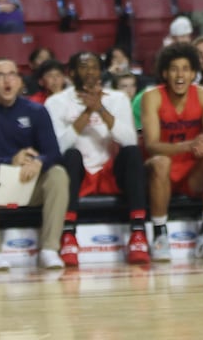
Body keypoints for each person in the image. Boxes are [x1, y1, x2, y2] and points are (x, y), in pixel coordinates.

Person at [46, 51, 150, 266]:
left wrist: (100, 110)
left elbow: (130, 139)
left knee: (132, 153)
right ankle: (68, 235)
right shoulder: (56, 102)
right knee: (70, 156)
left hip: (110, 172)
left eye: (94, 67)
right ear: (72, 72)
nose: (90, 72)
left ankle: (138, 233)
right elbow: (58, 147)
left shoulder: (117, 99)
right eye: (84, 67)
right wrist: (86, 113)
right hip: (79, 173)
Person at [0, 58, 69, 271]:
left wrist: (39, 162)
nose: (7, 80)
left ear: (20, 81)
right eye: (0, 75)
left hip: (29, 182)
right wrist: (10, 161)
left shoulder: (37, 111)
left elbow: (54, 153)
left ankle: (49, 250)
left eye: (11, 74)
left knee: (58, 174)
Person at [141, 44, 203, 261]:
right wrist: (187, 146)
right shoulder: (152, 96)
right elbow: (151, 144)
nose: (180, 75)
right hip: (161, 171)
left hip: (192, 171)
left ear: (193, 73)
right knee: (161, 162)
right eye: (174, 69)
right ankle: (160, 235)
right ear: (164, 73)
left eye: (186, 69)